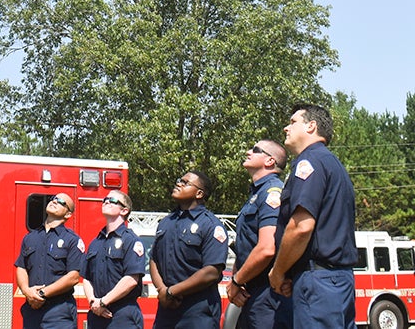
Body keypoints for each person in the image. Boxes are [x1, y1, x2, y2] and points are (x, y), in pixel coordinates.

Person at [268, 104, 358, 328]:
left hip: (318, 282)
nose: (285, 128)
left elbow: (301, 227)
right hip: (337, 280)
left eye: (292, 122)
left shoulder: (309, 162)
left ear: (311, 126)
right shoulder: (332, 164)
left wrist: (278, 272)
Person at [149, 170, 228, 329]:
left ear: (199, 194)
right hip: (167, 308)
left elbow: (212, 271)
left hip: (197, 310)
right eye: (179, 180)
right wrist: (162, 290)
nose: (178, 183)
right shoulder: (166, 222)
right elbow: (154, 260)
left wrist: (172, 291)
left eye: (185, 182)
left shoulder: (211, 225)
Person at [226, 140, 292, 328]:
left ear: (270, 161)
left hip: (269, 293)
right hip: (252, 292)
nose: (248, 152)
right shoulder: (256, 194)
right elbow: (245, 246)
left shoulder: (272, 192)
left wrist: (236, 282)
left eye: (255, 150)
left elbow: (266, 248)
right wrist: (237, 283)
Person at [15, 193, 85, 329]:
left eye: (61, 202)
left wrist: (41, 294)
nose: (54, 201)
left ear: (68, 214)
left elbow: (73, 277)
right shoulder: (30, 238)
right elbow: (21, 268)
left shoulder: (72, 240)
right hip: (32, 311)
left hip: (58, 312)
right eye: (53, 199)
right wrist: (27, 291)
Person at [83, 190, 145, 329]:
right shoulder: (95, 242)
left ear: (124, 210)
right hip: (97, 315)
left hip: (122, 315)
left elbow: (130, 279)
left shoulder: (131, 240)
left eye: (112, 200)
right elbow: (86, 277)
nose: (106, 201)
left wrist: (104, 302)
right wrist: (94, 302)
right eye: (105, 199)